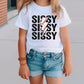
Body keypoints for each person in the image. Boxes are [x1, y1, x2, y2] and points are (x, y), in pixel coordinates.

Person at [15, 0, 73, 84]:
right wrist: (23, 64)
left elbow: (65, 37)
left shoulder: (59, 10)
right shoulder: (27, 10)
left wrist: (68, 61)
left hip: (54, 60)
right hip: (34, 59)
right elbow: (21, 38)